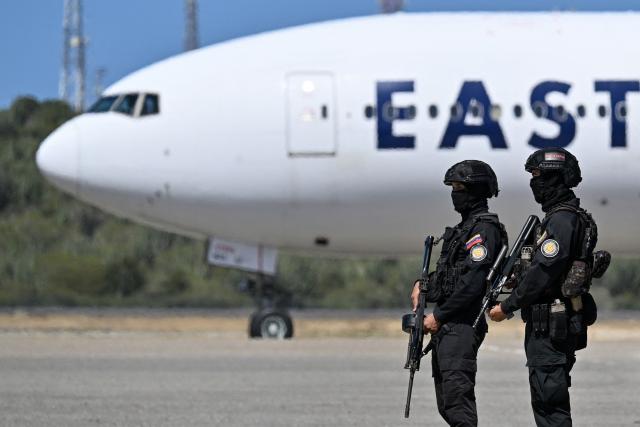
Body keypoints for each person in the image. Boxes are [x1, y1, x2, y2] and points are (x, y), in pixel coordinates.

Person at [489, 147, 598, 427]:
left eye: (539, 176)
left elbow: (543, 272)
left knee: (550, 404)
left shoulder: (563, 220)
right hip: (547, 324)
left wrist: (508, 305)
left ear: (557, 178)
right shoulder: (558, 218)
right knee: (545, 399)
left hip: (552, 325)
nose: (534, 183)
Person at [411, 160, 507, 427]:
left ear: (476, 191)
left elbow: (474, 283)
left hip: (462, 324)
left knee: (458, 404)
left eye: (460, 187)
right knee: (447, 404)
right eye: (453, 187)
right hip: (449, 325)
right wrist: (423, 284)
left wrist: (438, 316)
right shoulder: (463, 231)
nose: (455, 193)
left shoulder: (484, 230)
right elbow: (450, 276)